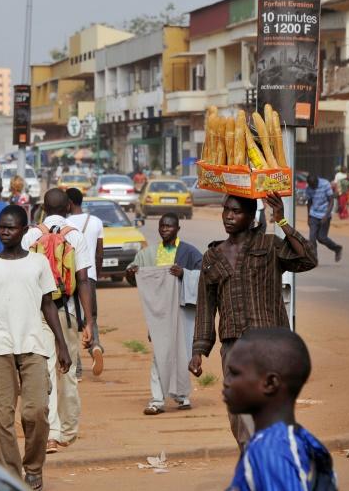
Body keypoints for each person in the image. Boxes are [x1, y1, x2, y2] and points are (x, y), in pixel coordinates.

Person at [189, 193, 317, 450]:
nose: (228, 216)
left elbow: (308, 259)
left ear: (251, 218)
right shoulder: (212, 257)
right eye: (226, 210)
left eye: (236, 212)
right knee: (240, 415)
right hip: (234, 347)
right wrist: (198, 350)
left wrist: (281, 220)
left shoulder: (270, 246)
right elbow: (206, 306)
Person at [0, 205, 71, 490]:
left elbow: (48, 305)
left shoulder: (38, 264)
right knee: (2, 416)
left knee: (36, 411)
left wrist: (62, 345)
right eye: (1, 227)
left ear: (24, 230)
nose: (4, 232)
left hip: (34, 346)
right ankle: (11, 476)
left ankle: (33, 468)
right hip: (0, 348)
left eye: (11, 227)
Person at [21, 188, 95, 455]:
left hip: (38, 312)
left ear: (43, 206)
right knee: (69, 370)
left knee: (46, 370)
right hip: (67, 311)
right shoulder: (75, 236)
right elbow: (83, 280)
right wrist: (89, 321)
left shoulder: (30, 235)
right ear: (67, 209)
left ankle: (50, 434)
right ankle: (68, 430)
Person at [224, 328, 337, 491]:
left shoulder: (270, 450)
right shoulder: (301, 440)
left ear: (270, 383)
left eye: (234, 373)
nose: (226, 382)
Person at [127, 213, 202, 415]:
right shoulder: (149, 253)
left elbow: (205, 274)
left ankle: (181, 395)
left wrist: (185, 274)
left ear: (178, 229)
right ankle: (157, 400)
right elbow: (134, 271)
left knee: (182, 351)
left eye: (169, 226)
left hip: (182, 310)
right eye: (162, 226)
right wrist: (131, 272)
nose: (165, 229)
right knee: (159, 353)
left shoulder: (189, 252)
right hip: (159, 311)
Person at [66, 188, 105, 377]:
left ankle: (77, 368)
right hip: (90, 277)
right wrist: (97, 273)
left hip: (70, 277)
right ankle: (95, 347)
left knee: (72, 320)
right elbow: (99, 253)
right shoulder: (96, 221)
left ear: (69, 203)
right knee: (91, 318)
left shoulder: (65, 223)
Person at [305, 174, 343, 263]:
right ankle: (314, 259)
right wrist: (309, 217)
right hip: (314, 215)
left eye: (314, 185)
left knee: (322, 238)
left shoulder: (325, 184)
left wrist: (326, 216)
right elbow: (309, 202)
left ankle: (337, 248)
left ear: (317, 182)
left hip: (325, 214)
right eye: (311, 186)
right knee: (312, 238)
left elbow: (331, 201)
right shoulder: (309, 187)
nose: (312, 187)